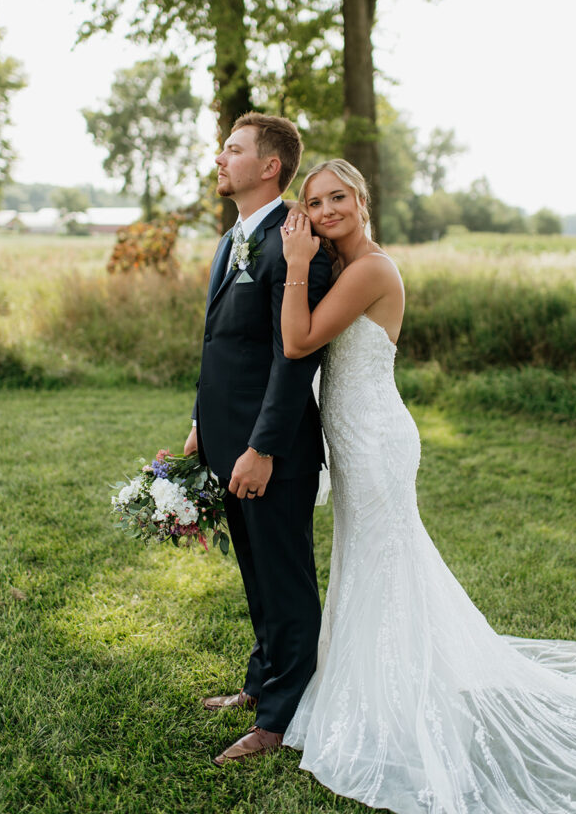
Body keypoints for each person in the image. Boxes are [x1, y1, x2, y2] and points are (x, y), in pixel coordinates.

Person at [278, 158, 576, 814]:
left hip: (376, 440)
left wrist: (296, 262)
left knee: (384, 562)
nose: (326, 211)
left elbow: (298, 341)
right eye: (314, 202)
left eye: (337, 197)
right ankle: (374, 682)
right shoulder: (344, 266)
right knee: (369, 560)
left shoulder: (370, 270)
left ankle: (393, 698)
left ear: (361, 200)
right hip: (353, 439)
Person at [183, 112, 332, 768]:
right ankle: (259, 682)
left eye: (233, 149)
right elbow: (217, 343)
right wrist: (200, 421)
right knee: (255, 572)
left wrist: (262, 447)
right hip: (225, 439)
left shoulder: (296, 244)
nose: (220, 158)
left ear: (270, 166)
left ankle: (280, 717)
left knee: (285, 579)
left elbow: (293, 358)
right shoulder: (232, 239)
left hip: (272, 451)